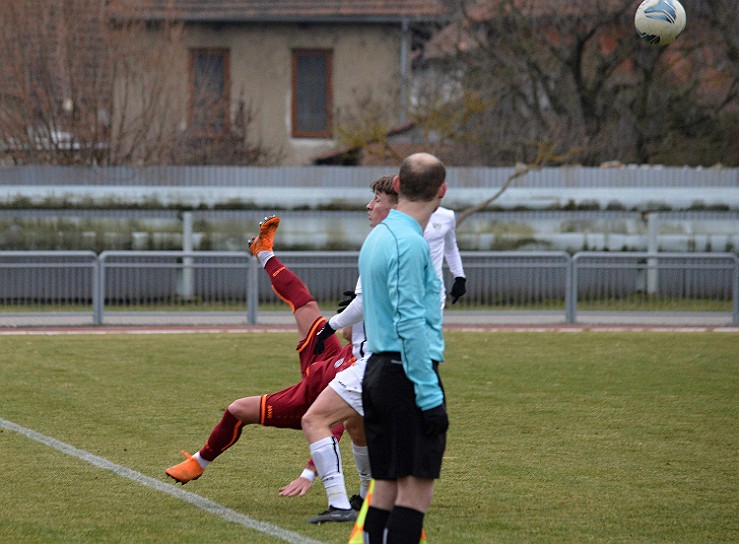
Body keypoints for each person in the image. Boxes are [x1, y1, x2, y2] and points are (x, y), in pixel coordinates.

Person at [165, 215, 358, 523]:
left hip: (306, 404)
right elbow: (301, 298)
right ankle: (263, 251)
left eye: (354, 314)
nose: (346, 315)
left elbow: (336, 424)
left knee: (238, 409)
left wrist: (308, 474)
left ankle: (199, 462)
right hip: (321, 367)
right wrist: (267, 254)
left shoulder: (361, 366)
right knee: (305, 305)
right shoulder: (340, 346)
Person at [289, 176, 398, 522]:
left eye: (377, 199)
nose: (370, 206)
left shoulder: (383, 241)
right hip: (394, 359)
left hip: (376, 361)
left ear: (396, 205)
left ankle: (338, 504)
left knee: (314, 419)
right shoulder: (410, 240)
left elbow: (365, 302)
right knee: (357, 425)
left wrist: (331, 326)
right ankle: (366, 497)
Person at [358, 152, 449, 544]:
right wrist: (430, 397)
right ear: (442, 191)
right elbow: (410, 323)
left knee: (386, 489)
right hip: (405, 375)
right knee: (414, 492)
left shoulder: (378, 235)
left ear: (396, 185)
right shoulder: (411, 244)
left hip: (378, 370)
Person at [424, 206, 467, 307]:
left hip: (434, 290)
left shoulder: (447, 216)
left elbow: (450, 248)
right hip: (405, 288)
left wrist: (459, 277)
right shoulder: (399, 213)